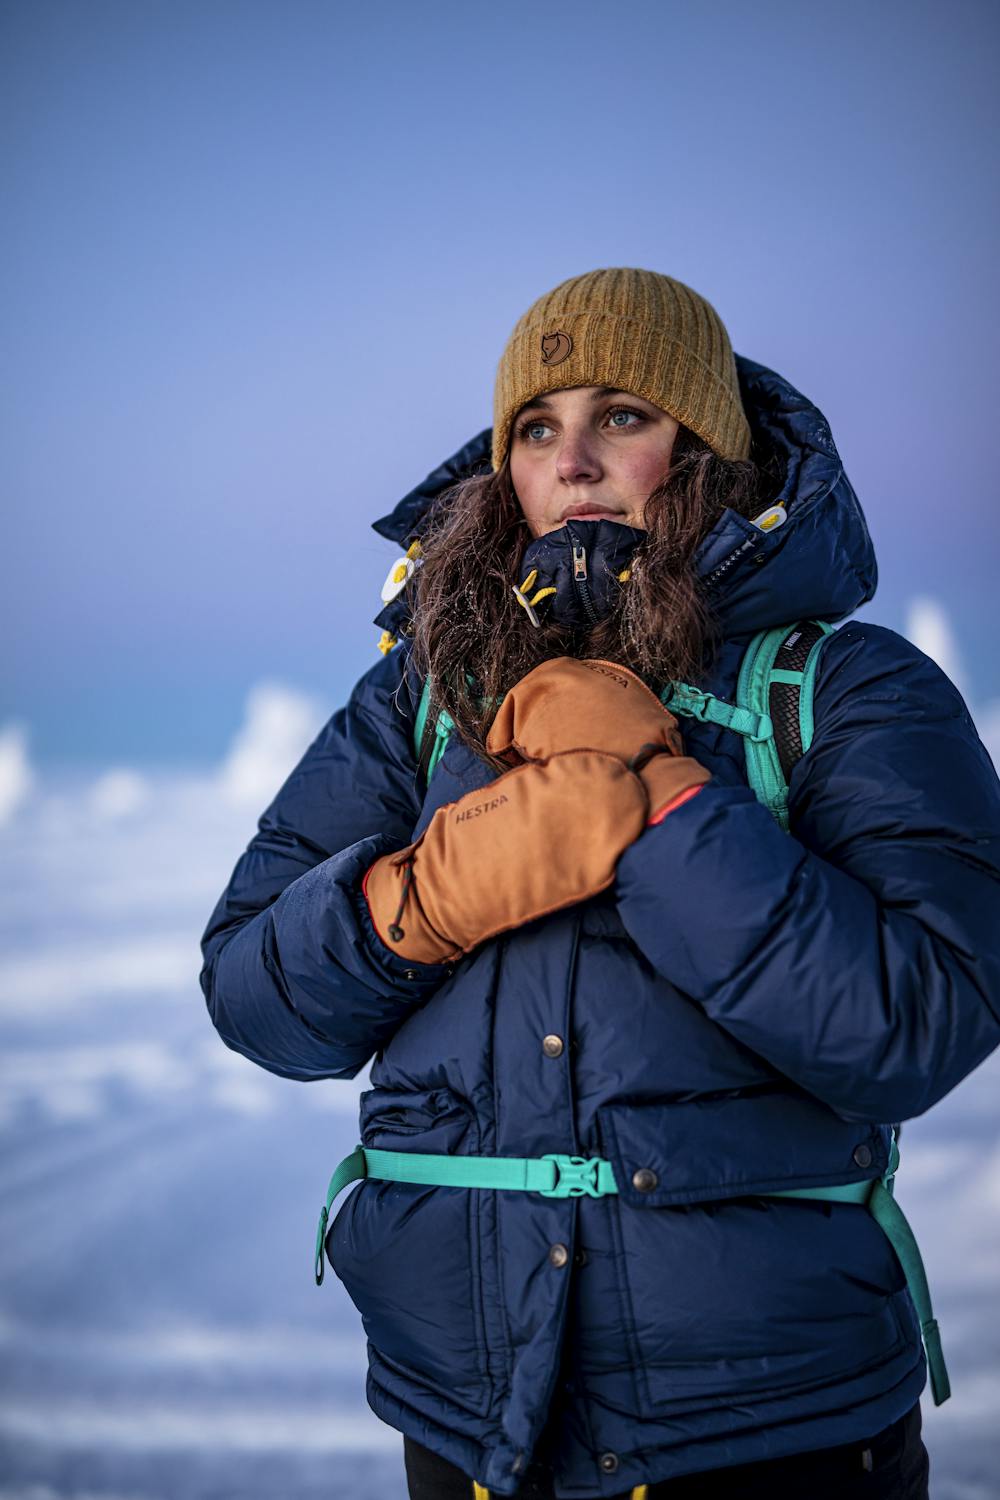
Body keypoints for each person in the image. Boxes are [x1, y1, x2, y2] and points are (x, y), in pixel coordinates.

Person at [199, 268, 1000, 1499]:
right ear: (505, 472)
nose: (571, 459)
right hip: (461, 1428)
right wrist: (417, 901)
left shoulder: (844, 690)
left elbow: (919, 1026)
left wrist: (663, 804)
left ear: (711, 453)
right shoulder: (418, 702)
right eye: (536, 427)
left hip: (771, 1431)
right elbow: (250, 996)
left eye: (621, 413)